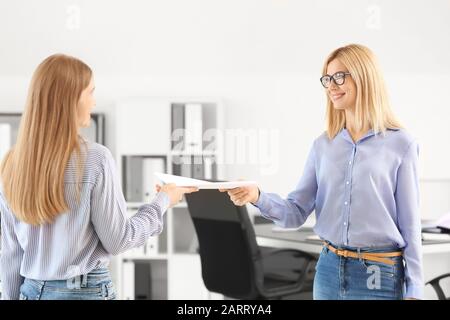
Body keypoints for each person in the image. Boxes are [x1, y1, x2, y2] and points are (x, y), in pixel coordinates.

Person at [221, 44, 423, 300]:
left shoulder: (401, 144)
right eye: (327, 79)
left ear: (365, 77)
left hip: (378, 274)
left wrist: (415, 289)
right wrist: (257, 196)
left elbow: (410, 224)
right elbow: (295, 213)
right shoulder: (323, 145)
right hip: (328, 269)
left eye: (340, 76)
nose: (331, 86)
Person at [0, 54, 198, 300]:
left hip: (30, 292)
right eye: (90, 92)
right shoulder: (95, 159)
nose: (94, 102)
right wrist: (163, 201)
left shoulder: (11, 164)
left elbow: (10, 253)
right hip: (84, 292)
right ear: (70, 99)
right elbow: (119, 240)